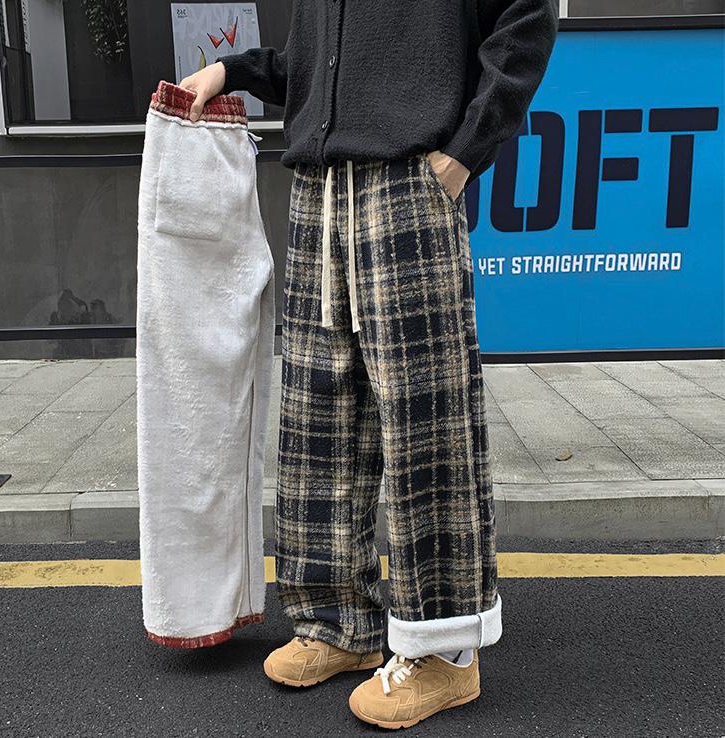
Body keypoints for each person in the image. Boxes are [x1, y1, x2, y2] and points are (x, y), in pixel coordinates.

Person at [180, 0, 558, 728]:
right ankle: (338, 624)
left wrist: (464, 153)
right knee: (316, 423)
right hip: (319, 193)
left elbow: (526, 18)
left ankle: (445, 653)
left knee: (427, 423)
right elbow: (311, 65)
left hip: (408, 183)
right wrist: (231, 70)